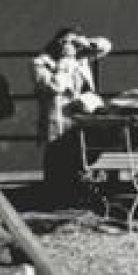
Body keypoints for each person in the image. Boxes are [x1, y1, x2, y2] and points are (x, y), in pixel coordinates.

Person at [32, 26, 112, 193]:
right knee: (58, 158)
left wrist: (84, 43)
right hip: (58, 118)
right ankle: (56, 193)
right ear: (56, 42)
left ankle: (80, 187)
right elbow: (55, 87)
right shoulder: (40, 63)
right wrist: (64, 61)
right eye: (65, 42)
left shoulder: (80, 56)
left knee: (82, 153)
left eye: (72, 43)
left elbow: (106, 46)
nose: (69, 46)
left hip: (82, 115)